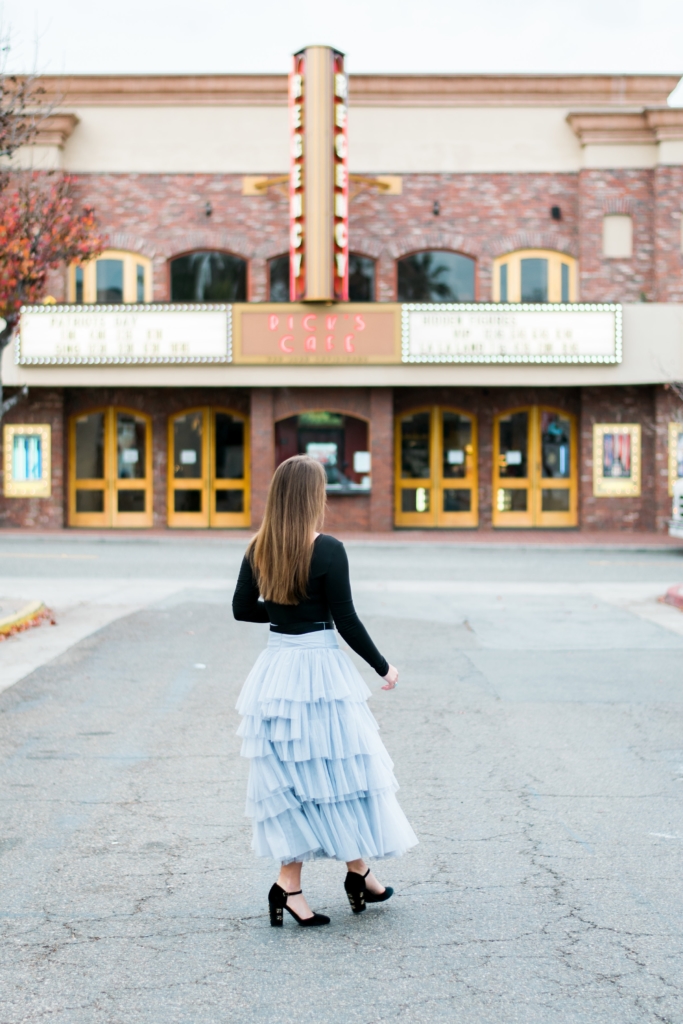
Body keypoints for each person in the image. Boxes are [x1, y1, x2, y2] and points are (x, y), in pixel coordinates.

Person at [232, 455, 417, 927]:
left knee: (305, 777)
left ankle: (355, 874)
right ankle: (296, 885)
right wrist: (383, 666)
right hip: (319, 670)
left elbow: (240, 609)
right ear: (315, 497)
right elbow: (347, 619)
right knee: (340, 769)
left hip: (275, 669)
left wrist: (281, 613)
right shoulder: (329, 549)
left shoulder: (259, 546)